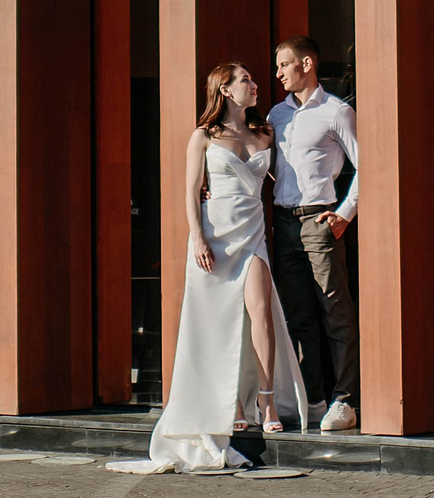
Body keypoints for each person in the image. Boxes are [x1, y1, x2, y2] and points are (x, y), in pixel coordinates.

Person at [122, 62, 313, 474]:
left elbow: (285, 179)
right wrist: (197, 238)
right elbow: (191, 191)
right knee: (216, 324)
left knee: (261, 312)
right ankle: (226, 405)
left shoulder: (266, 131)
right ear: (225, 90)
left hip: (253, 236)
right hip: (215, 238)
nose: (256, 84)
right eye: (246, 80)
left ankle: (264, 398)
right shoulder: (203, 136)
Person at [268, 36, 360, 432]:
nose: (278, 73)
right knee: (298, 316)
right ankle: (314, 398)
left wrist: (344, 214)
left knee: (334, 312)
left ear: (307, 63)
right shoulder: (275, 114)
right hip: (283, 222)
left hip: (319, 222)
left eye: (284, 65)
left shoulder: (336, 111)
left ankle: (346, 400)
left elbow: (365, 165)